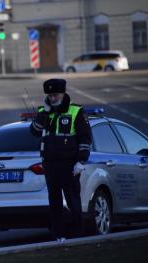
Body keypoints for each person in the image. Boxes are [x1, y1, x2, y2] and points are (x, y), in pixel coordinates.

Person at [30, 78, 92, 242]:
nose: (52, 98)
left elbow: (85, 138)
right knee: (54, 201)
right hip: (50, 164)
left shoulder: (75, 111)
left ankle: (78, 234)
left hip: (70, 164)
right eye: (50, 95)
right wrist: (43, 114)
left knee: (73, 200)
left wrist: (81, 161)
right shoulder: (44, 111)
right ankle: (58, 235)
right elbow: (35, 131)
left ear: (63, 93)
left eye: (55, 95)